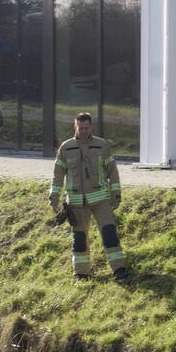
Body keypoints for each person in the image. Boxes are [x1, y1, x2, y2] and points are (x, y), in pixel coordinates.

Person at [49, 112, 129, 281]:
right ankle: (81, 273)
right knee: (79, 239)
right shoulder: (66, 148)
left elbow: (112, 172)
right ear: (75, 127)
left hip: (101, 200)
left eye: (86, 128)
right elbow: (58, 175)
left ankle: (119, 270)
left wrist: (116, 195)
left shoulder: (102, 146)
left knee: (109, 234)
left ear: (91, 127)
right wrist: (54, 197)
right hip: (76, 203)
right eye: (80, 128)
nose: (84, 131)